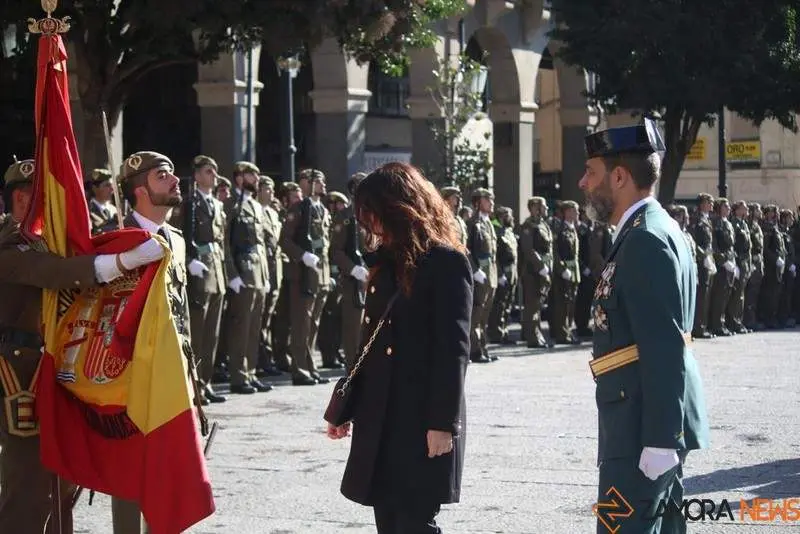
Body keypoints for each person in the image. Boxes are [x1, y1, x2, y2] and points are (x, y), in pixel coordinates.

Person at [0, 159, 163, 533]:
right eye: (46, 197)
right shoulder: (10, 246)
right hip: (19, 372)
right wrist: (122, 261)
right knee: (27, 485)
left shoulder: (49, 242)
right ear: (22, 199)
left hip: (59, 370)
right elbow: (55, 274)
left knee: (62, 483)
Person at [579, 119, 709, 534]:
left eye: (591, 172)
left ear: (619, 177)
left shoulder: (645, 239)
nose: (582, 183)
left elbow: (664, 345)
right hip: (636, 418)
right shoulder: (651, 229)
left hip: (638, 428)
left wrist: (659, 437)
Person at [327, 162, 472, 534]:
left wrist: (442, 423)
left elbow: (453, 350)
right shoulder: (386, 262)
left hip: (421, 415)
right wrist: (348, 403)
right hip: (381, 414)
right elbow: (370, 342)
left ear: (398, 208)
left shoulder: (446, 262)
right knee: (389, 521)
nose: (369, 224)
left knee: (414, 522)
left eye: (373, 214)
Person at [111, 150, 201, 534]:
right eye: (163, 176)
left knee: (171, 471)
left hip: (172, 371)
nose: (175, 180)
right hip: (132, 374)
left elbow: (180, 313)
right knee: (131, 475)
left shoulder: (175, 239)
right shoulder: (118, 237)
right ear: (140, 189)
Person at [185, 155, 227, 404]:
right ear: (198, 175)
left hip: (216, 271)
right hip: (199, 271)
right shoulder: (190, 203)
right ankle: (195, 385)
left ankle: (207, 381)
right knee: (198, 334)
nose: (213, 175)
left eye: (214, 171)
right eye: (208, 171)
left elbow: (221, 242)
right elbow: (183, 233)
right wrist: (190, 260)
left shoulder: (216, 204)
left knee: (212, 334)